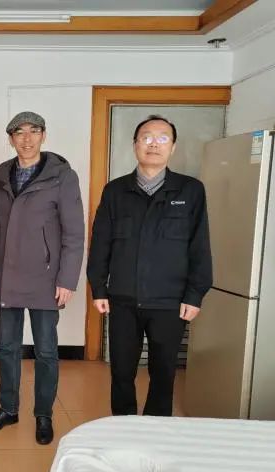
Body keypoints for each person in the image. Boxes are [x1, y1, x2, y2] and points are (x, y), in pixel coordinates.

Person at [87, 115, 212, 417]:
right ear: (135, 145)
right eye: (146, 137)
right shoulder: (115, 191)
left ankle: (156, 431)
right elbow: (101, 242)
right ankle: (124, 426)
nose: (154, 144)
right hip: (123, 300)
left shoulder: (190, 190)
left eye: (162, 138)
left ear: (173, 147)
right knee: (121, 372)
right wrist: (98, 287)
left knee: (163, 373)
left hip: (170, 302)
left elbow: (200, 246)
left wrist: (195, 294)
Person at [0, 111, 85, 445]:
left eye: (34, 131)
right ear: (10, 139)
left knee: (46, 351)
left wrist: (67, 279)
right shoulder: (1, 175)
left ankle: (44, 414)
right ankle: (8, 408)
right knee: (7, 348)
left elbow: (74, 232)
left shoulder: (62, 176)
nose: (26, 139)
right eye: (19, 132)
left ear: (44, 136)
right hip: (7, 276)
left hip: (46, 278)